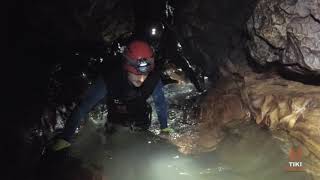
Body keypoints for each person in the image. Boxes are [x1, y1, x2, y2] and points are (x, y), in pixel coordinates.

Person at [51, 40, 173, 151]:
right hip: (116, 118)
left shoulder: (153, 79)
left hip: (141, 119)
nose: (141, 79)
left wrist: (165, 128)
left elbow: (160, 102)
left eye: (145, 74)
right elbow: (83, 107)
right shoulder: (110, 79)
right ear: (126, 68)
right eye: (136, 74)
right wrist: (65, 138)